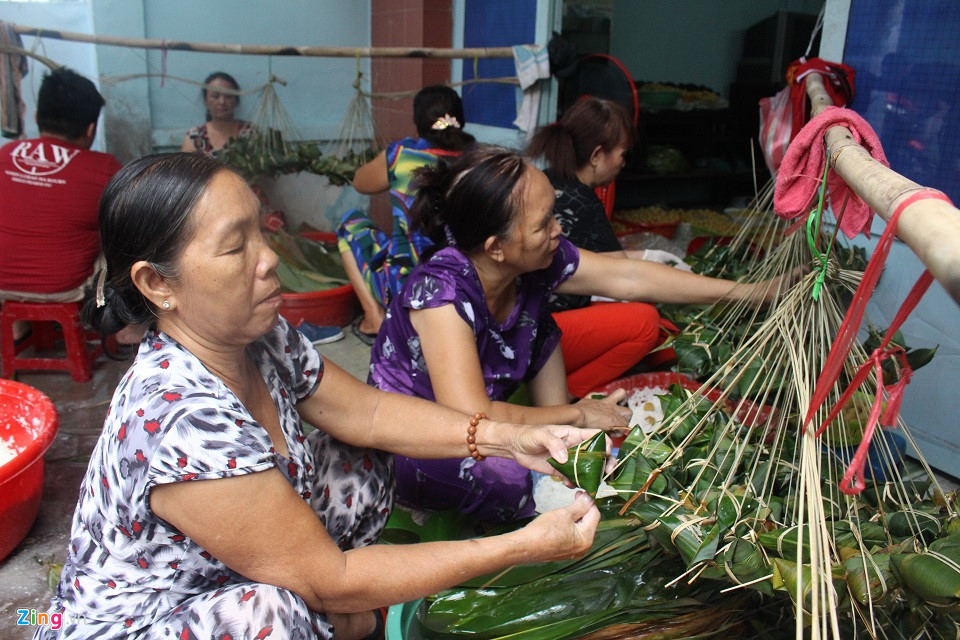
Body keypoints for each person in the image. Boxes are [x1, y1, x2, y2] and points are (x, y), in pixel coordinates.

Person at [38, 152, 602, 640]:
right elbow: (328, 577)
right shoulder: (178, 416)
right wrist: (521, 546)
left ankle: (332, 615)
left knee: (364, 454)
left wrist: (508, 440)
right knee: (270, 613)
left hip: (237, 562)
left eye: (260, 232)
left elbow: (370, 412)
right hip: (149, 618)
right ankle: (329, 620)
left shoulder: (256, 333)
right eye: (237, 248)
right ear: (157, 284)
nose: (270, 258)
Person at [369, 144, 796, 522]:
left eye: (552, 214)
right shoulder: (440, 294)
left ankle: (559, 436)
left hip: (488, 415)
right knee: (509, 476)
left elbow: (627, 278)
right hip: (425, 440)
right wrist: (578, 414)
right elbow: (473, 421)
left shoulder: (532, 258)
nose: (558, 229)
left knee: (538, 325)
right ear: (496, 246)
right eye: (543, 224)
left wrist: (753, 293)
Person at [526, 96, 692, 397]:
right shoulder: (584, 200)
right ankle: (574, 394)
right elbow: (625, 278)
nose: (622, 163)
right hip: (537, 331)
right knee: (646, 323)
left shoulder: (546, 180)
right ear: (596, 155)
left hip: (531, 324)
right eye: (621, 154)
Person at [337, 85, 475, 345]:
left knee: (350, 222)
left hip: (405, 290)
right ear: (460, 119)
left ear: (418, 123)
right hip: (467, 290)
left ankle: (374, 317)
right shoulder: (480, 158)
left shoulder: (402, 156)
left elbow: (360, 182)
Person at [0, 67, 122, 329]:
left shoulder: (4, 153)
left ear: (36, 116)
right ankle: (117, 329)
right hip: (62, 285)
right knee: (121, 239)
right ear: (91, 128)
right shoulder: (105, 168)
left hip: (1, 283)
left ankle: (19, 332)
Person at [180, 71, 255, 157]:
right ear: (205, 101)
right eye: (215, 96)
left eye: (228, 96)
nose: (222, 102)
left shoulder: (250, 132)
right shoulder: (195, 137)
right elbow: (186, 169)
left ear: (236, 100)